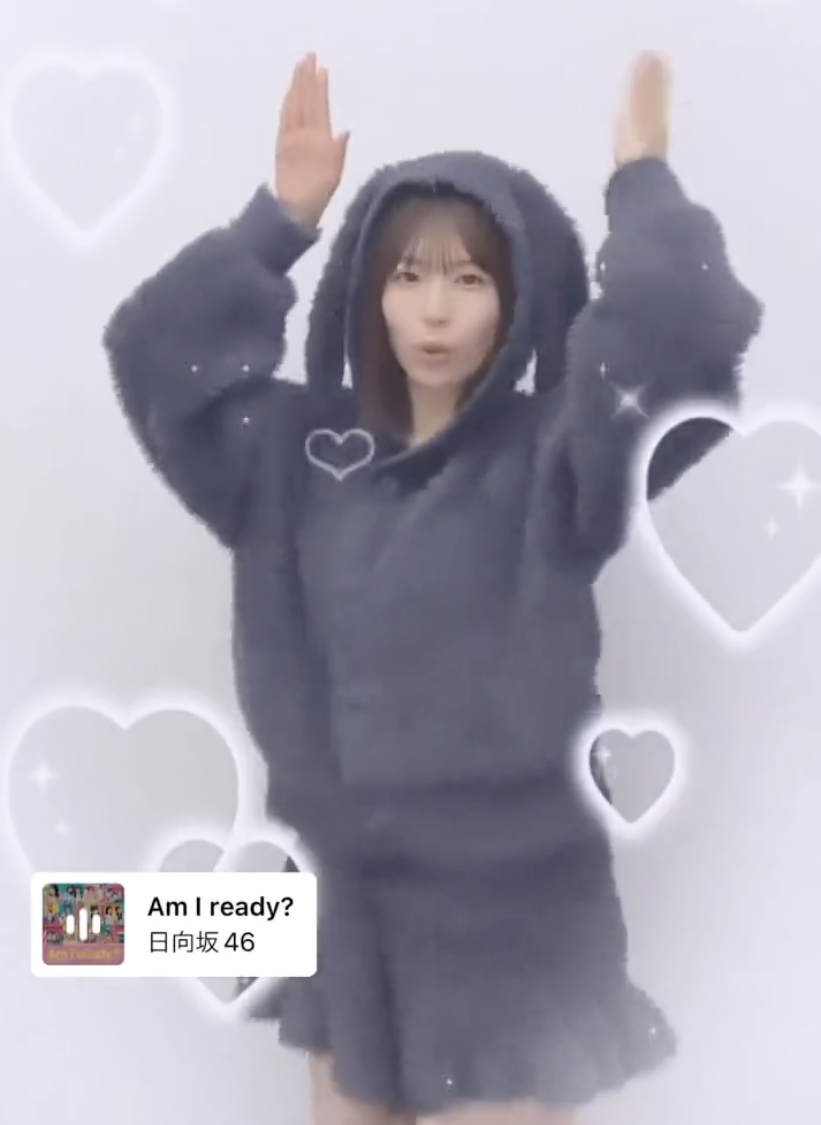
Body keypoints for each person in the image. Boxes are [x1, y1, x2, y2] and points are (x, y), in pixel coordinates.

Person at [103, 50, 761, 1125]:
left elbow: (683, 346)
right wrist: (279, 220)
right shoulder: (290, 455)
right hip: (341, 913)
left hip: (510, 923)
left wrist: (642, 181)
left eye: (468, 278)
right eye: (407, 276)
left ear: (515, 297)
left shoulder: (560, 458)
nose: (435, 309)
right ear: (368, 290)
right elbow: (155, 358)